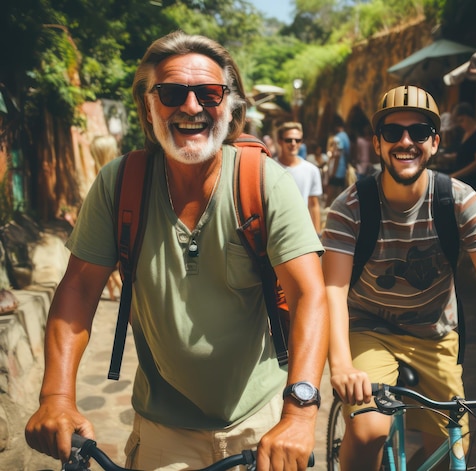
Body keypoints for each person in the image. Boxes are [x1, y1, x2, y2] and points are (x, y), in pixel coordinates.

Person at [25, 31, 329, 471]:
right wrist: (55, 396)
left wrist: (300, 414)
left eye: (209, 93)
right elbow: (78, 291)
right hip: (162, 427)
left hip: (260, 420)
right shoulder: (119, 185)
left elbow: (309, 295)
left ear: (230, 107)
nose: (191, 107)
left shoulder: (264, 182)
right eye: (171, 93)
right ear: (148, 109)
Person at [321, 85, 476, 471]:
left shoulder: (459, 200)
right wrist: (341, 366)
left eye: (419, 132)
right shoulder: (349, 207)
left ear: (434, 143)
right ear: (378, 143)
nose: (406, 142)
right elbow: (332, 291)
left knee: (455, 450)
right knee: (369, 431)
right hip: (369, 327)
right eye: (392, 133)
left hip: (436, 333)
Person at [88, 134, 123, 301]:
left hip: (109, 234)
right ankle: (113, 295)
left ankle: (129, 300)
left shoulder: (103, 177)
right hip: (123, 231)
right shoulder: (125, 172)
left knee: (113, 271)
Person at [276, 122, 324, 234]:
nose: (293, 144)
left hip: (301, 231)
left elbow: (313, 204)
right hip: (275, 230)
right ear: (280, 141)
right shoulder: (269, 168)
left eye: (297, 140)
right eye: (288, 140)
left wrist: (317, 235)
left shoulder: (312, 170)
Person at [449, 102, 476, 189]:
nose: (460, 124)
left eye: (461, 120)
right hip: (460, 178)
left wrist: (456, 175)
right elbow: (465, 154)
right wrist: (449, 157)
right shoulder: (464, 134)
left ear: (468, 117)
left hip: (470, 180)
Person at [326, 115, 351, 205]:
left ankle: (327, 207)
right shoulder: (346, 137)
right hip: (343, 168)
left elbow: (337, 156)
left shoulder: (338, 138)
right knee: (341, 193)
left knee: (331, 191)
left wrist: (333, 172)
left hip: (337, 169)